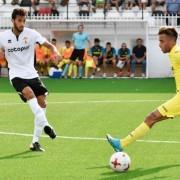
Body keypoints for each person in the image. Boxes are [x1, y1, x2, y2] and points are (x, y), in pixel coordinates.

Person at [106, 27, 180, 152]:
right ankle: (121, 144)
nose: (159, 44)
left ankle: (121, 144)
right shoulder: (174, 53)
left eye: (162, 41)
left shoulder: (177, 53)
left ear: (172, 41)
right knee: (152, 119)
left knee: (151, 117)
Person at [0, 8, 59, 152]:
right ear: (13, 20)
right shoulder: (3, 36)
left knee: (42, 103)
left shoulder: (31, 33)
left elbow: (46, 44)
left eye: (24, 21)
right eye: (19, 20)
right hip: (16, 75)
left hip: (32, 74)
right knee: (29, 94)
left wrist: (55, 50)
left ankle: (35, 142)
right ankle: (47, 126)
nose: (22, 23)